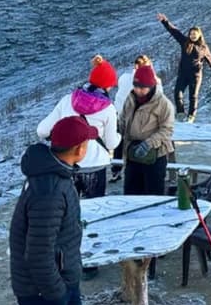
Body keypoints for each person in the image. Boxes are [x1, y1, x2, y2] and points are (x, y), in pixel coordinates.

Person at [10, 115, 94, 305]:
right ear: (79, 149)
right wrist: (56, 293)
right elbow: (37, 253)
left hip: (61, 277)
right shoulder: (49, 190)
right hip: (41, 288)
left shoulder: (59, 173)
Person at [36, 56, 120, 198]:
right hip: (95, 165)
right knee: (94, 211)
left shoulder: (68, 99)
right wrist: (119, 136)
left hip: (67, 163)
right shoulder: (109, 109)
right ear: (107, 86)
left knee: (68, 209)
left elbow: (42, 131)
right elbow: (111, 143)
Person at [119, 65, 175, 196]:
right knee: (131, 193)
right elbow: (123, 120)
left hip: (154, 156)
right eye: (136, 86)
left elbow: (167, 130)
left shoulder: (163, 104)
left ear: (151, 86)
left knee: (152, 195)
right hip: (132, 154)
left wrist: (148, 144)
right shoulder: (130, 99)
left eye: (142, 87)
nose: (138, 90)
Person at [157, 14, 211, 121]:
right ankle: (180, 114)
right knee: (177, 93)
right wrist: (165, 21)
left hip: (195, 75)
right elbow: (174, 32)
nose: (192, 36)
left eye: (195, 34)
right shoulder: (184, 42)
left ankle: (191, 116)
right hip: (183, 74)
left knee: (193, 96)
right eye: (191, 34)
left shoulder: (203, 48)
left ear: (199, 35)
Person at [111, 55, 163, 183]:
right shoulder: (154, 82)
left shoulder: (124, 78)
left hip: (122, 115)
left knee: (120, 143)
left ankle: (115, 170)